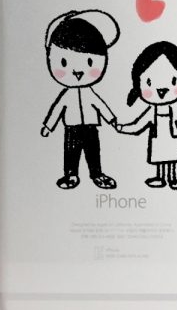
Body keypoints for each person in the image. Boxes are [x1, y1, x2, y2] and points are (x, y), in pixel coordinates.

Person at [42, 10, 120, 190]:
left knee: (93, 151)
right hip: (72, 128)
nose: (77, 71)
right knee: (71, 152)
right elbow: (57, 110)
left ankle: (97, 174)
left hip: (91, 127)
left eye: (89, 62)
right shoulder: (67, 95)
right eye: (64, 62)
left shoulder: (89, 93)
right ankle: (71, 174)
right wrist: (48, 126)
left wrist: (112, 119)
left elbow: (100, 105)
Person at [117, 41, 177, 190]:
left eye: (173, 81)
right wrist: (123, 128)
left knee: (171, 159)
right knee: (160, 158)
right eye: (149, 82)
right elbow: (138, 124)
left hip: (172, 138)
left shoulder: (176, 108)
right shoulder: (152, 110)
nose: (161, 90)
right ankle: (160, 177)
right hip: (157, 139)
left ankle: (172, 178)